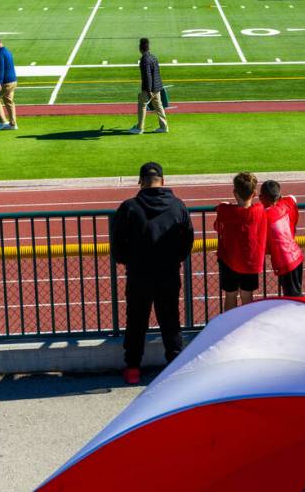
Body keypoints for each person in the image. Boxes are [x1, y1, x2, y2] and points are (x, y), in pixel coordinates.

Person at [110, 162, 194, 384]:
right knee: (170, 320)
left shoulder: (129, 207)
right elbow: (187, 240)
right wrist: (175, 259)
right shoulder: (178, 206)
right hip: (168, 273)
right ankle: (174, 366)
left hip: (139, 274)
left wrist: (127, 259)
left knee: (136, 321)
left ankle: (133, 368)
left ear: (140, 181)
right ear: (163, 181)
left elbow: (117, 242)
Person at [215, 172, 267, 311]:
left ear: (234, 192)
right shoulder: (259, 210)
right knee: (247, 296)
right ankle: (245, 328)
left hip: (229, 260)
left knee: (230, 295)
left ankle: (228, 327)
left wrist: (223, 207)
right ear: (254, 193)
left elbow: (217, 226)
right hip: (250, 261)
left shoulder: (226, 210)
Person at [259, 180, 304, 297]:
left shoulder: (264, 215)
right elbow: (292, 197)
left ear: (261, 197)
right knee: (295, 295)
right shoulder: (286, 204)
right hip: (296, 257)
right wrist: (280, 199)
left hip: (285, 261)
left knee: (293, 299)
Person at [129, 37, 168, 135]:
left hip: (149, 89)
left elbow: (147, 75)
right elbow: (157, 74)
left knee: (142, 106)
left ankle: (139, 128)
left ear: (140, 48)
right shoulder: (153, 57)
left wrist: (149, 90)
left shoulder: (144, 59)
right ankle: (164, 127)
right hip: (157, 87)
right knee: (159, 106)